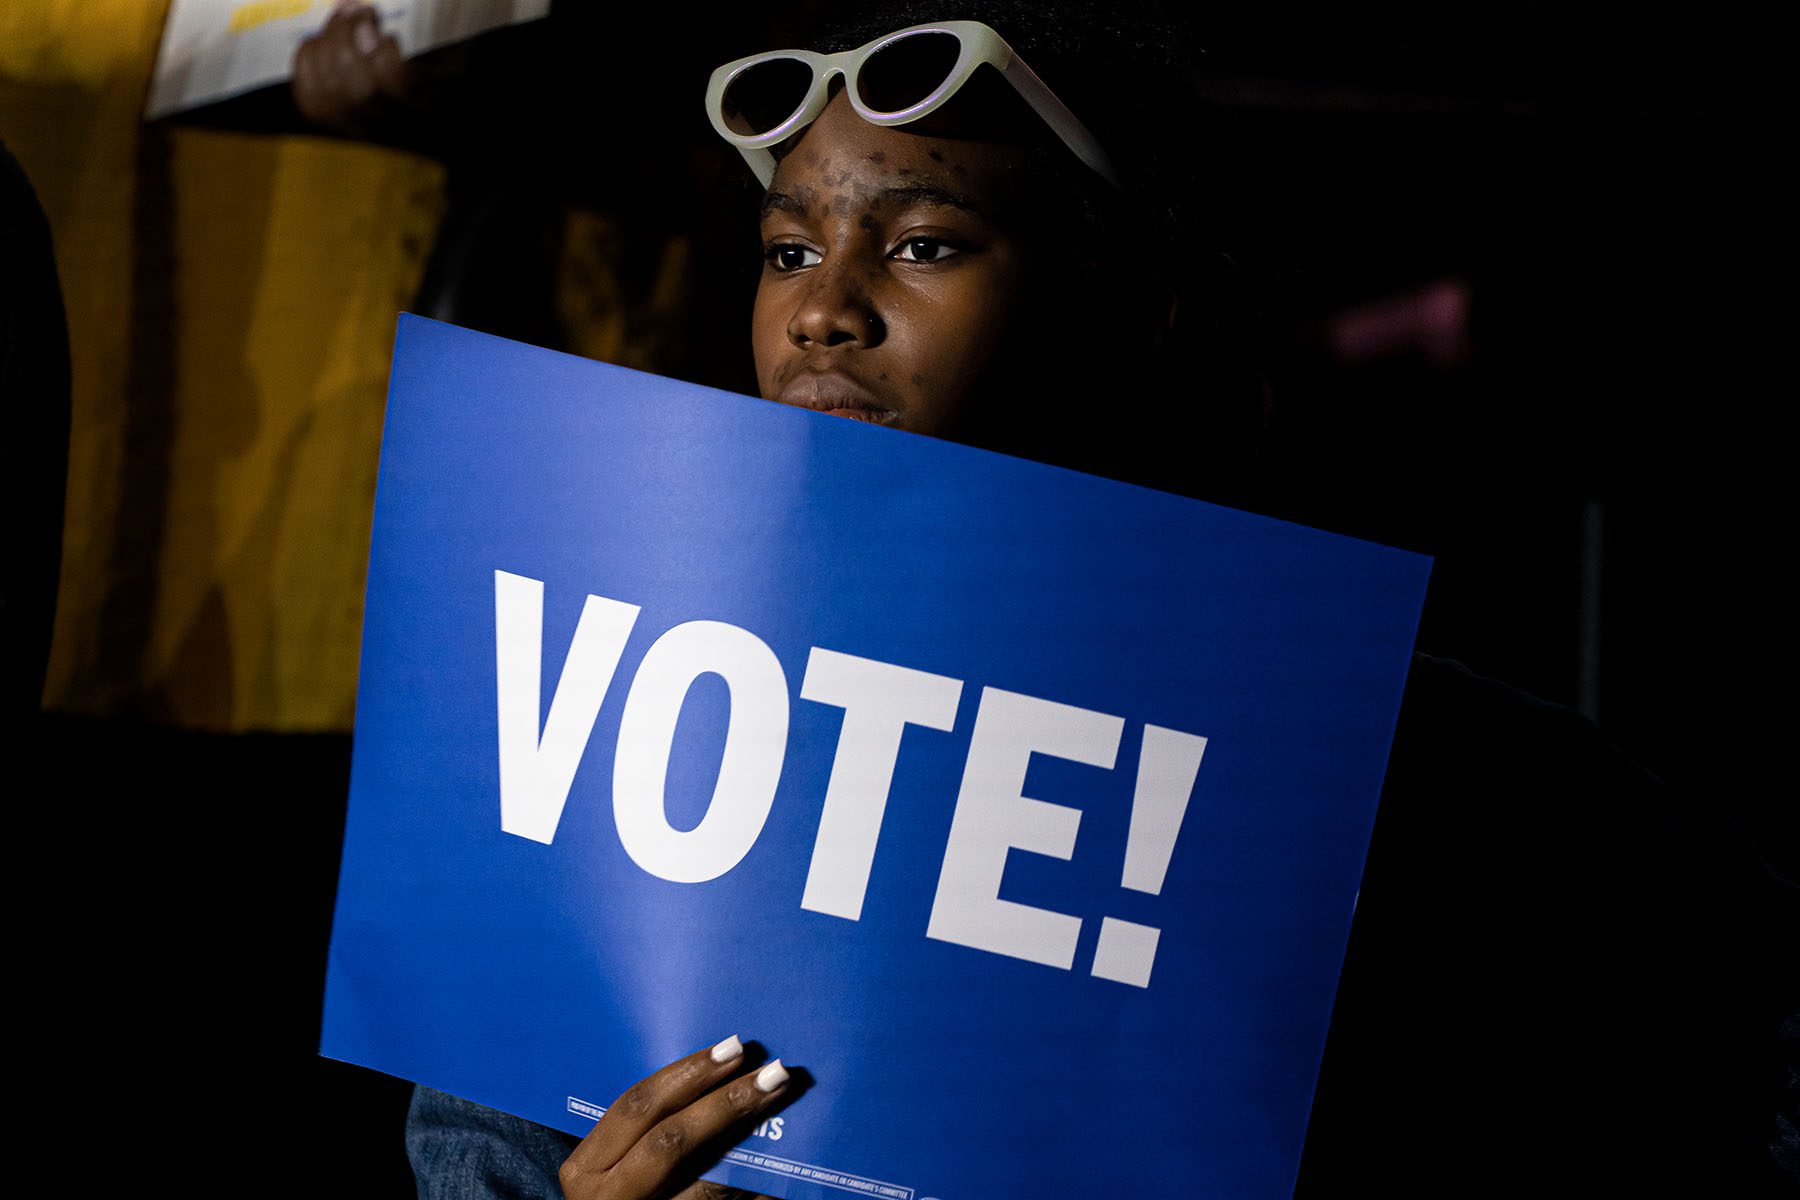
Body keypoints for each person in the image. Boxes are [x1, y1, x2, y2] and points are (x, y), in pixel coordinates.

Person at [407, 5, 1797, 1198]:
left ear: (1126, 305)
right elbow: (478, 1150)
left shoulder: (1395, 766)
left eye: (923, 245)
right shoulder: (599, 745)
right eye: (787, 250)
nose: (822, 309)